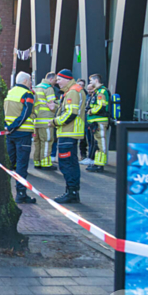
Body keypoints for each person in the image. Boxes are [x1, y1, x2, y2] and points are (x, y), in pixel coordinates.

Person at [4, 71, 37, 204]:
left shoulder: (9, 92)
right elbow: (26, 113)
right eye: (29, 81)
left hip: (9, 134)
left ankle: (4, 193)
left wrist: (7, 127)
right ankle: (21, 194)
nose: (30, 84)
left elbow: (3, 112)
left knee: (8, 165)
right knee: (21, 166)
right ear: (25, 81)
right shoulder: (27, 94)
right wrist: (14, 126)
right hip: (22, 134)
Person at [52, 69, 85, 203]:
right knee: (71, 163)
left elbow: (71, 113)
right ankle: (72, 192)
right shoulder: (73, 91)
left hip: (68, 132)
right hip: (70, 132)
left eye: (59, 79)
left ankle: (71, 193)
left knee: (66, 164)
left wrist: (54, 122)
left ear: (66, 79)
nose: (57, 82)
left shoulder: (72, 92)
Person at [85, 73, 110, 172]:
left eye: (91, 81)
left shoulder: (101, 92)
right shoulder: (97, 92)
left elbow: (101, 106)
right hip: (96, 122)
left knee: (100, 143)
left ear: (96, 80)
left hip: (100, 121)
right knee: (97, 143)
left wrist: (90, 111)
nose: (90, 83)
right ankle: (97, 162)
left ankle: (100, 164)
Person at [33, 72, 57, 170]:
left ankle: (37, 162)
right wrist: (58, 106)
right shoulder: (48, 88)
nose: (56, 82)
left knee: (37, 142)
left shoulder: (36, 87)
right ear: (50, 79)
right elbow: (51, 105)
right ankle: (46, 163)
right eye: (55, 80)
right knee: (47, 141)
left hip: (37, 120)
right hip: (46, 120)